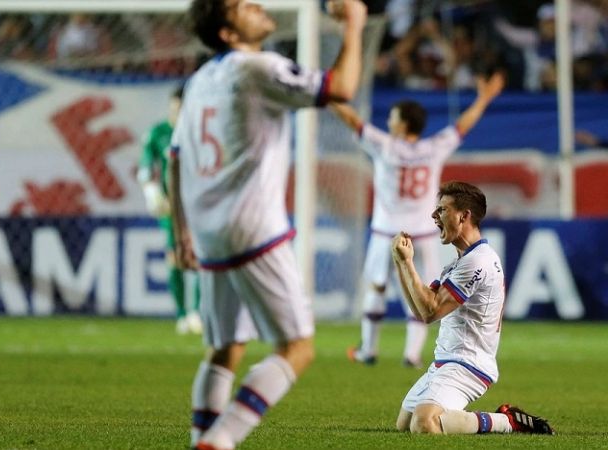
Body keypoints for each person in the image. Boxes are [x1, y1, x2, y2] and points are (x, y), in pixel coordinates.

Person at [169, 1, 367, 448]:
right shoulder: (258, 67)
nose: (257, 6)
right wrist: (354, 24)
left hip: (210, 233)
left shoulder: (199, 80)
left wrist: (183, 232)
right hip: (254, 227)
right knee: (297, 348)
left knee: (225, 349)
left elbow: (175, 158)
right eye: (243, 6)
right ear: (228, 33)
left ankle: (201, 438)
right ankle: (219, 441)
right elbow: (342, 87)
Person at [330, 71, 504, 369]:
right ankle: (411, 354)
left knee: (376, 288)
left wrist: (329, 95)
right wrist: (484, 98)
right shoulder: (433, 147)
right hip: (425, 231)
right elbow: (463, 125)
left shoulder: (384, 145)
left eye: (393, 117)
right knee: (424, 288)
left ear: (403, 123)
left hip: (386, 231)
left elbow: (352, 120)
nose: (389, 122)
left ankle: (368, 350)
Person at [391, 181, 554, 435]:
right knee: (404, 424)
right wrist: (402, 264)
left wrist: (408, 263)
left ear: (463, 216)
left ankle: (507, 421)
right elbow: (422, 311)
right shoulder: (460, 262)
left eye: (442, 209)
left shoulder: (478, 261)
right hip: (445, 362)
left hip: (467, 364)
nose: (434, 215)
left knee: (424, 424)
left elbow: (430, 311)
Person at [138, 84, 203, 335]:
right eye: (175, 109)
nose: (178, 115)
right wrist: (152, 193)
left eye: (182, 110)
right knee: (175, 257)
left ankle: (197, 312)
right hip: (172, 207)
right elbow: (146, 167)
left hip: (198, 204)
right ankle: (182, 315)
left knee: (200, 257)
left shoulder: (199, 133)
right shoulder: (158, 133)